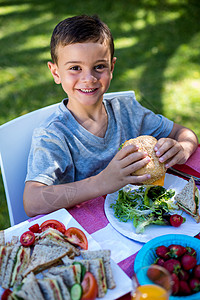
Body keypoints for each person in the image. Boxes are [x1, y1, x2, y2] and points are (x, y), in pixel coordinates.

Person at [23, 15, 198, 217]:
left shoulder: (127, 111)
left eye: (99, 66)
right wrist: (102, 182)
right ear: (55, 73)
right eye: (75, 68)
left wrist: (183, 148)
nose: (89, 78)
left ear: (111, 67)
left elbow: (183, 132)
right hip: (89, 231)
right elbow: (32, 201)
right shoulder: (54, 134)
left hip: (136, 216)